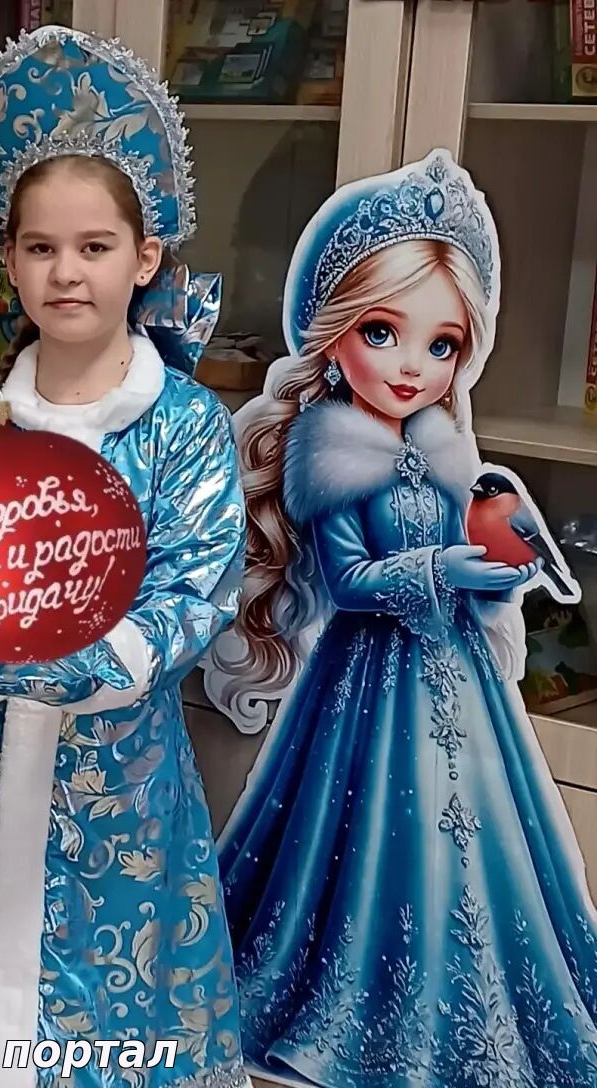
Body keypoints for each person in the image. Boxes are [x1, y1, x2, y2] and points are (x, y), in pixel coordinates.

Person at [0, 26, 252, 1088]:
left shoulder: (181, 424)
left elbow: (197, 587)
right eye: (41, 248)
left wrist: (92, 661)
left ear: (144, 258)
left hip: (119, 791)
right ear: (7, 260)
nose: (66, 272)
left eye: (94, 247)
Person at [202, 148, 597, 1087]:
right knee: (361, 832)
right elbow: (348, 579)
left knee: (482, 829)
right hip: (366, 675)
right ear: (334, 333)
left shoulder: (443, 450)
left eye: (442, 344)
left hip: (456, 668)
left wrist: (495, 574)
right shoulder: (333, 454)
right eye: (382, 332)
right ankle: (361, 1005)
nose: (413, 366)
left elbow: (466, 551)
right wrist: (438, 568)